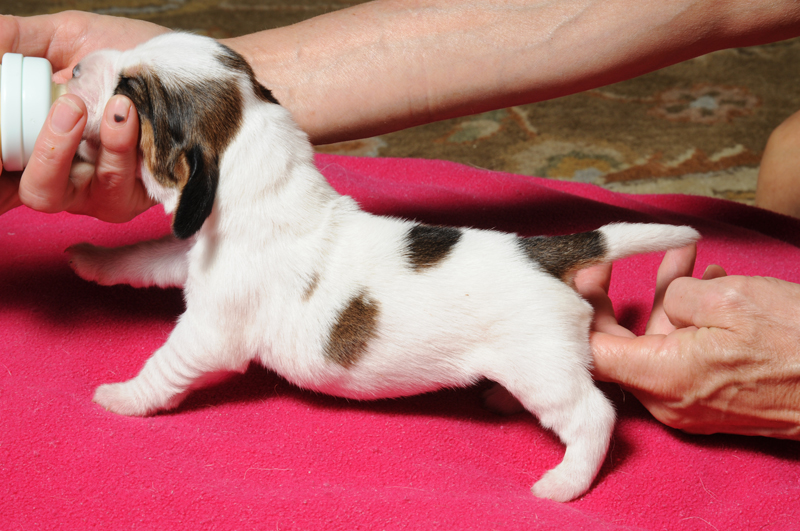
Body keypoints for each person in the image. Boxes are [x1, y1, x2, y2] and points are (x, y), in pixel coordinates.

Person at [0, 3, 798, 440]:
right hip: (417, 268)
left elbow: (212, 331)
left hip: (437, 302)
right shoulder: (260, 214)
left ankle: (586, 433)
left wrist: (146, 389)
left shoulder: (244, 249)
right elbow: (194, 252)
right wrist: (116, 263)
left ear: (196, 180)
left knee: (540, 353)